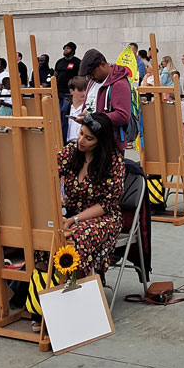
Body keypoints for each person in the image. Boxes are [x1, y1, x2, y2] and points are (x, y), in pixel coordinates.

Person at [57, 113, 124, 279]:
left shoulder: (114, 161)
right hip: (71, 213)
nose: (81, 140)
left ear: (100, 142)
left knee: (77, 236)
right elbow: (48, 172)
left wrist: (74, 220)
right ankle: (45, 288)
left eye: (89, 138)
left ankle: (79, 285)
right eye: (81, 133)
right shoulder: (71, 152)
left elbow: (106, 205)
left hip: (105, 217)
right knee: (49, 233)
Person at [77, 49, 131, 151]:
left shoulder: (119, 84)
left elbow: (122, 116)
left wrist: (93, 118)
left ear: (102, 64)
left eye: (92, 73)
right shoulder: (93, 82)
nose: (91, 77)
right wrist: (84, 117)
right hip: (92, 141)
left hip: (109, 144)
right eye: (88, 76)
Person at [55, 42, 83, 141]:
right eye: (64, 48)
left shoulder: (77, 62)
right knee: (57, 113)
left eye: (67, 48)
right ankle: (58, 134)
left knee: (64, 111)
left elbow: (80, 77)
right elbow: (55, 74)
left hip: (69, 93)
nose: (65, 50)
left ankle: (66, 135)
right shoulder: (59, 62)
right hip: (59, 91)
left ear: (72, 50)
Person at [66, 76, 88, 142]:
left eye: (85, 90)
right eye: (80, 90)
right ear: (71, 91)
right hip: (67, 145)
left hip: (84, 144)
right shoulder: (65, 109)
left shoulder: (89, 108)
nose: (84, 93)